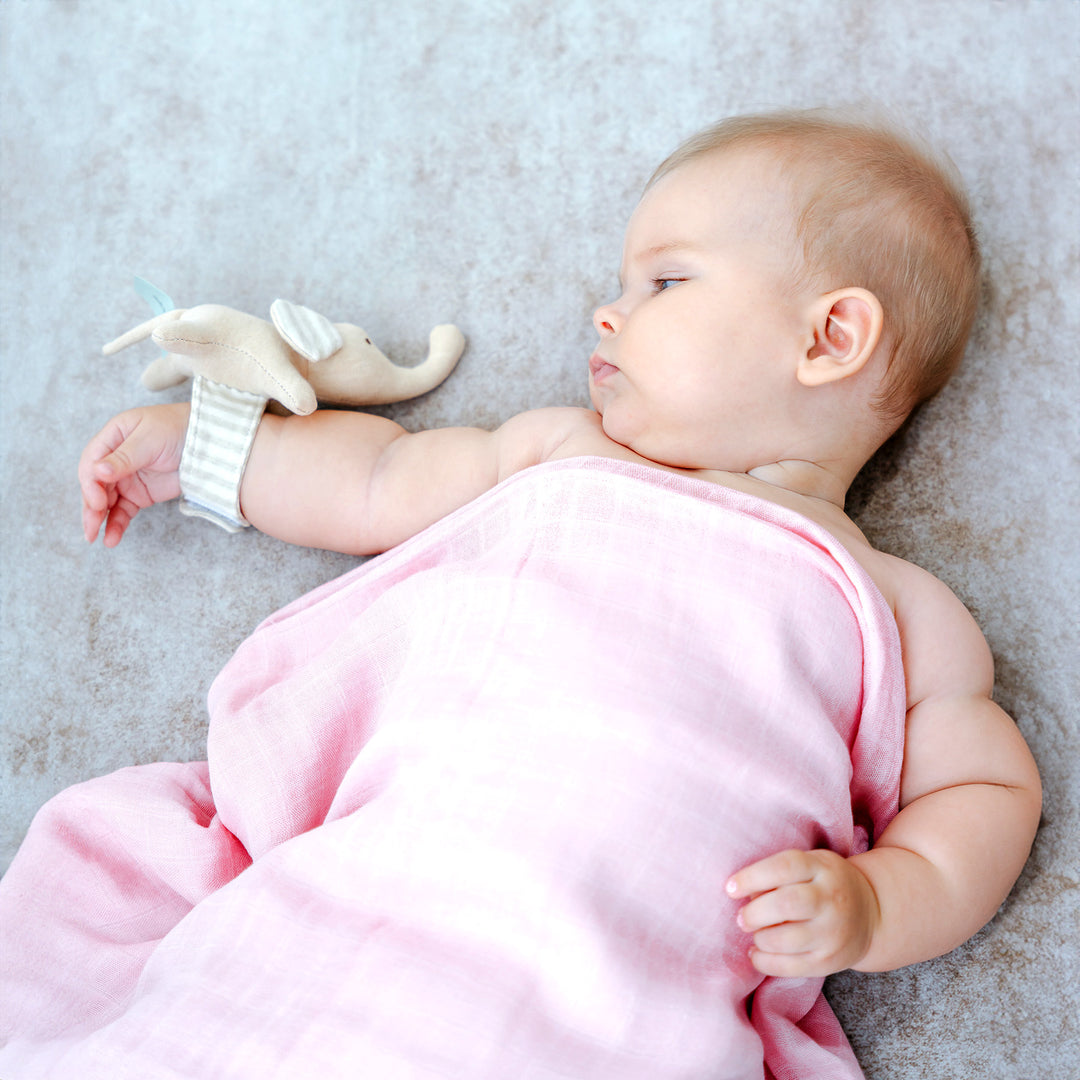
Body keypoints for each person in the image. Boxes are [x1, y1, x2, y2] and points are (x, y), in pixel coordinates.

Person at [4, 110, 1041, 1076]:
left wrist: (875, 904)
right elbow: (376, 481)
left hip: (620, 976)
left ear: (830, 338)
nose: (608, 308)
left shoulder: (898, 606)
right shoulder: (560, 451)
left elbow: (985, 798)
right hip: (395, 864)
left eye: (666, 283)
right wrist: (205, 451)